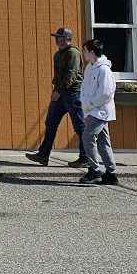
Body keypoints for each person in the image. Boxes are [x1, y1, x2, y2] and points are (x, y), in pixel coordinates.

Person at [25, 27, 88, 168]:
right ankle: (43, 155)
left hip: (72, 93)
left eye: (59, 37)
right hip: (60, 93)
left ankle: (85, 157)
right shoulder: (59, 54)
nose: (56, 39)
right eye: (56, 37)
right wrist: (57, 90)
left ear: (67, 39)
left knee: (79, 126)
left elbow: (70, 75)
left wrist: (59, 91)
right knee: (51, 122)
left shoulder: (73, 53)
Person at [78, 38, 118, 185]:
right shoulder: (90, 67)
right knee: (103, 142)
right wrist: (86, 108)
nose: (83, 53)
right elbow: (85, 88)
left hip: (100, 111)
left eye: (85, 51)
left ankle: (94, 169)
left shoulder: (104, 70)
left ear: (92, 53)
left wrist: (90, 105)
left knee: (87, 137)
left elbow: (106, 93)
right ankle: (111, 173)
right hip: (92, 110)